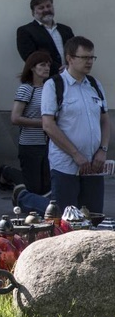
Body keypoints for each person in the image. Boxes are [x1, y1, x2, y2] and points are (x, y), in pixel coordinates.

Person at [40, 36, 109, 213]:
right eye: (84, 57)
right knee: (66, 220)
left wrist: (103, 150)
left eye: (92, 57)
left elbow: (104, 120)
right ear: (70, 58)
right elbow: (48, 125)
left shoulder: (94, 84)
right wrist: (75, 154)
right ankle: (27, 199)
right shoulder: (54, 85)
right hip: (66, 166)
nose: (89, 62)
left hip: (93, 166)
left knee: (94, 218)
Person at [7, 51, 52, 196]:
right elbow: (15, 118)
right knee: (33, 188)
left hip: (48, 144)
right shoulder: (26, 89)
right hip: (30, 144)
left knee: (46, 188)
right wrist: (44, 123)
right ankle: (8, 172)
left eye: (48, 65)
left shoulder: (50, 89)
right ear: (32, 67)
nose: (46, 68)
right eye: (42, 65)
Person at [16, 0, 74, 74]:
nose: (46, 10)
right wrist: (59, 69)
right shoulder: (25, 31)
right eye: (41, 8)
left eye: (48, 6)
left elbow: (75, 51)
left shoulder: (66, 30)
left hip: (70, 76)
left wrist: (71, 67)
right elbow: (30, 57)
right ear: (33, 12)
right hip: (43, 78)